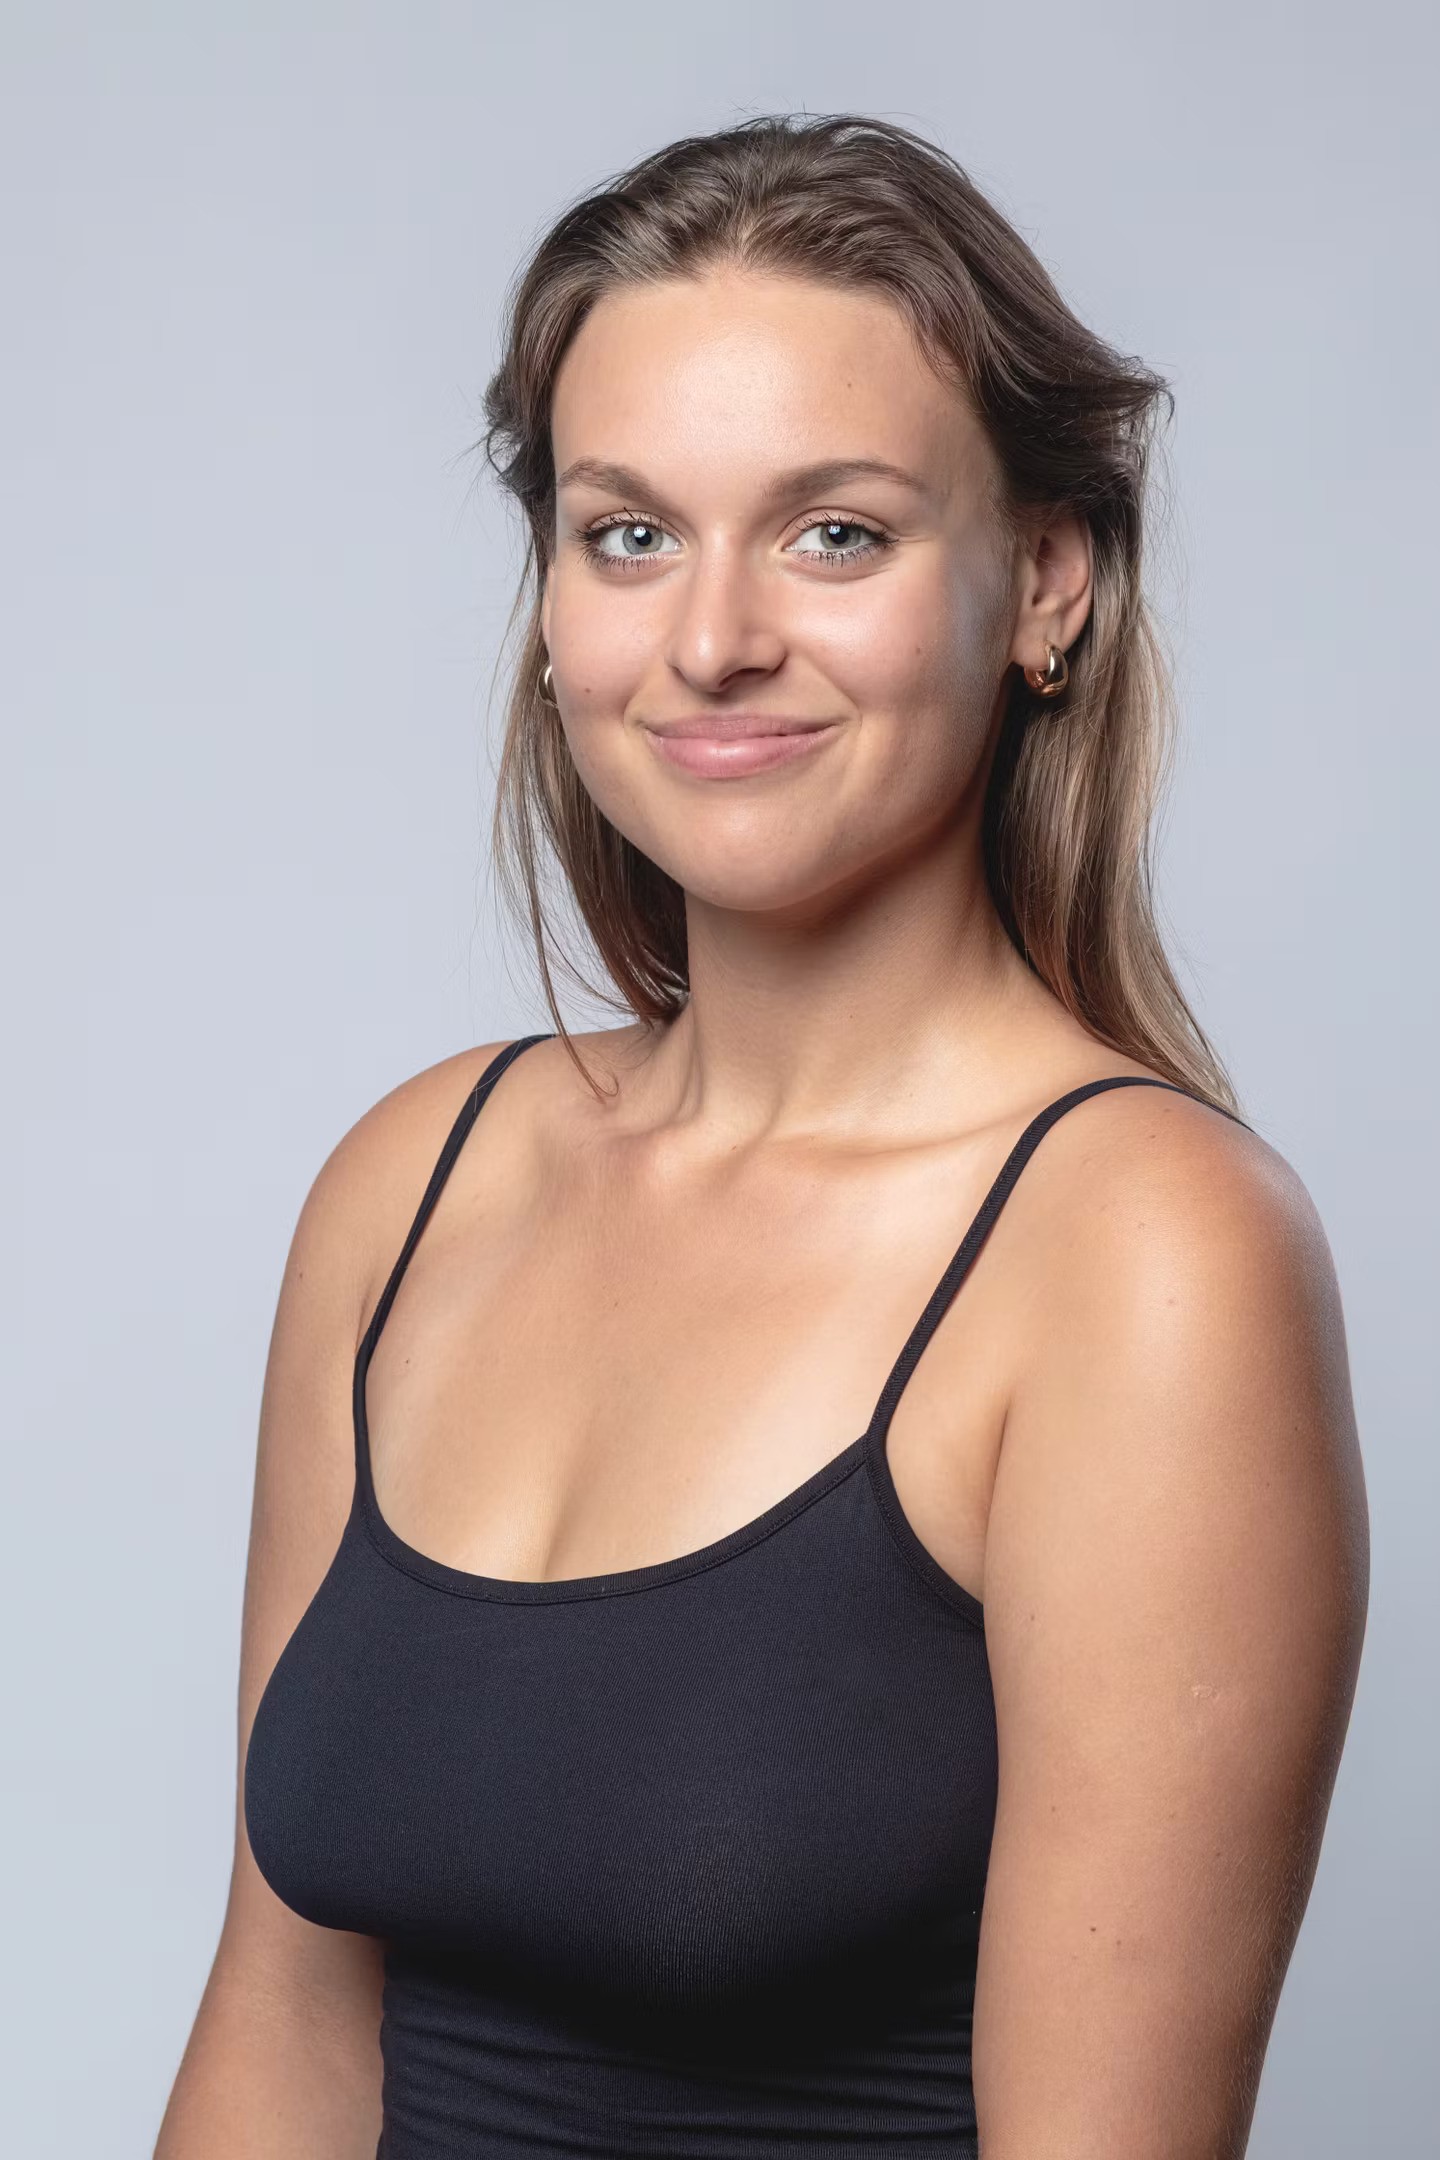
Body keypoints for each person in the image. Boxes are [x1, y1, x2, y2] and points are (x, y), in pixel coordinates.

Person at [155, 112, 1368, 2160]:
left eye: (836, 534)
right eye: (630, 534)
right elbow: (283, 2035)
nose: (711, 637)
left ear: (1046, 581)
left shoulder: (1144, 1255)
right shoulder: (415, 1181)